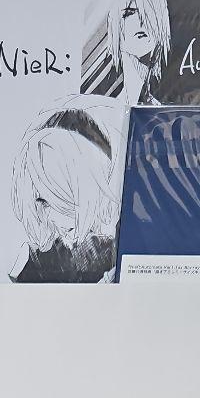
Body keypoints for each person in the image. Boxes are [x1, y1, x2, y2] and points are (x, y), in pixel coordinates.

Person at [9, 96, 126, 283]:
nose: (53, 216)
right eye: (43, 202)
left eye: (66, 199)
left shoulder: (118, 248)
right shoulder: (35, 261)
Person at [107, 0, 172, 105]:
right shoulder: (103, 110)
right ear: (116, 26)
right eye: (129, 13)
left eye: (149, 13)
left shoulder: (160, 112)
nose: (141, 21)